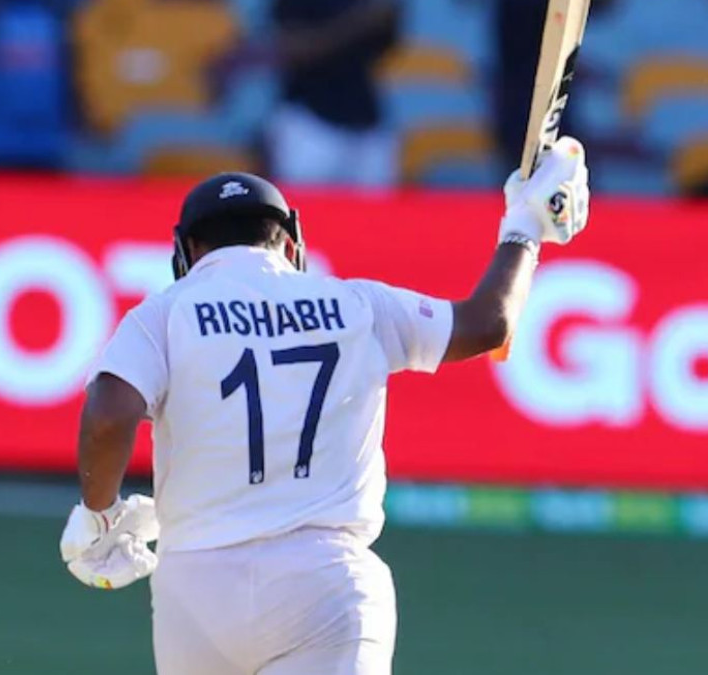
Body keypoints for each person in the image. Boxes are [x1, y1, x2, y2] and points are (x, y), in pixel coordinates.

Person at [59, 138, 591, 674]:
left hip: (195, 588)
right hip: (325, 580)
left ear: (188, 252)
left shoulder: (161, 315)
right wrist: (525, 227)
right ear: (291, 244)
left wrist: (99, 514)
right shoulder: (358, 304)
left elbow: (109, 415)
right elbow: (488, 324)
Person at [264, 0, 401, 187]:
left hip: (366, 121)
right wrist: (360, 20)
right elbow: (294, 48)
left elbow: (387, 38)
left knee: (376, 204)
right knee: (303, 202)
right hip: (308, 121)